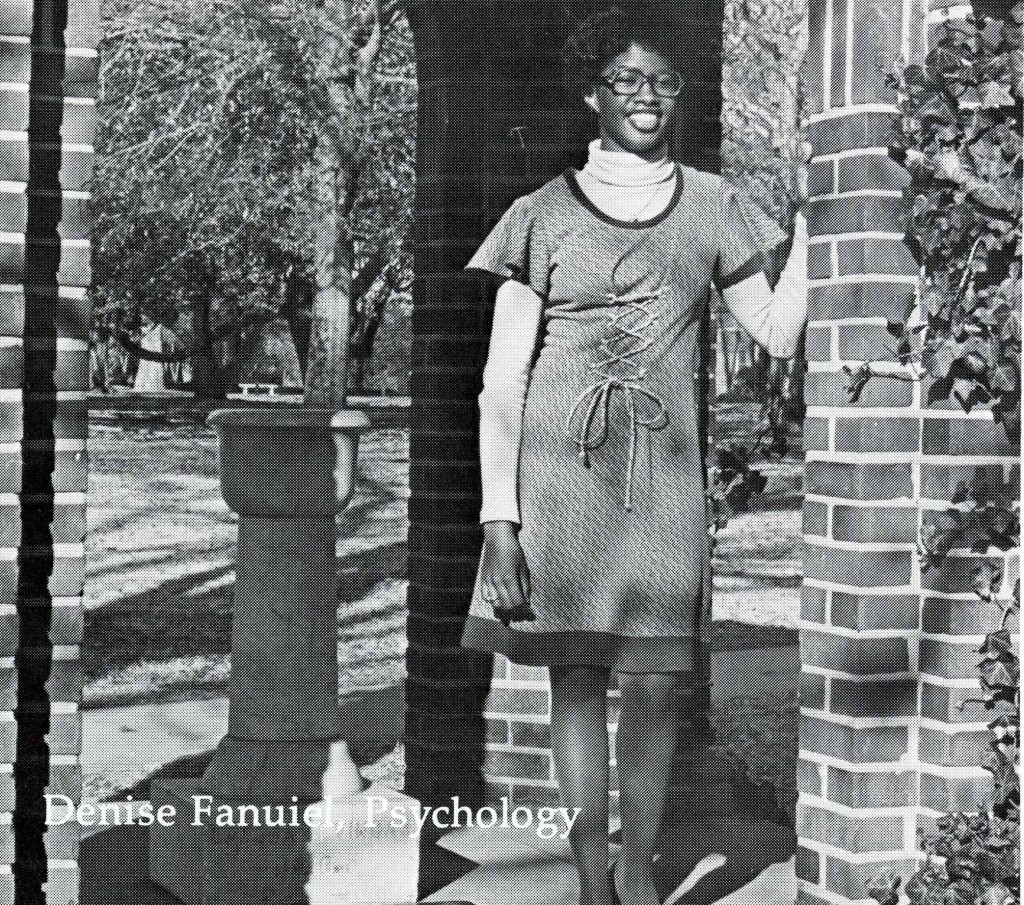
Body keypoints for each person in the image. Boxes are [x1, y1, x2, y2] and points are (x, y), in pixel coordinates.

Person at [459, 8, 808, 905]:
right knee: (575, 681)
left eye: (662, 81)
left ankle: (638, 874)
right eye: (626, 80)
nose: (646, 96)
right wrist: (500, 523)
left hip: (662, 490)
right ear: (592, 95)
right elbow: (502, 381)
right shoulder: (538, 217)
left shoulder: (714, 205)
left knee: (653, 689)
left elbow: (773, 330)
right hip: (557, 486)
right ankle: (591, 883)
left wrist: (815, 221)